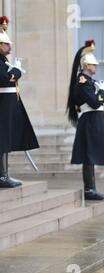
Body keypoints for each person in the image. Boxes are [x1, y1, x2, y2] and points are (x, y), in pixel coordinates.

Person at [66, 40, 104, 201]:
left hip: (94, 120)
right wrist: (103, 93)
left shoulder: (89, 82)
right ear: (86, 65)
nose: (96, 67)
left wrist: (99, 91)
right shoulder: (83, 82)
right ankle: (89, 189)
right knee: (89, 156)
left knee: (91, 156)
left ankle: (91, 188)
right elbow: (94, 102)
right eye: (93, 65)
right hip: (90, 120)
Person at [0, 16, 39, 188]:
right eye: (6, 44)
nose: (10, 47)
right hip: (3, 104)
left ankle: (4, 174)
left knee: (6, 140)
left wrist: (14, 71)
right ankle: (2, 176)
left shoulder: (4, 61)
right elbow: (5, 79)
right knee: (3, 140)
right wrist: (16, 71)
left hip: (8, 104)